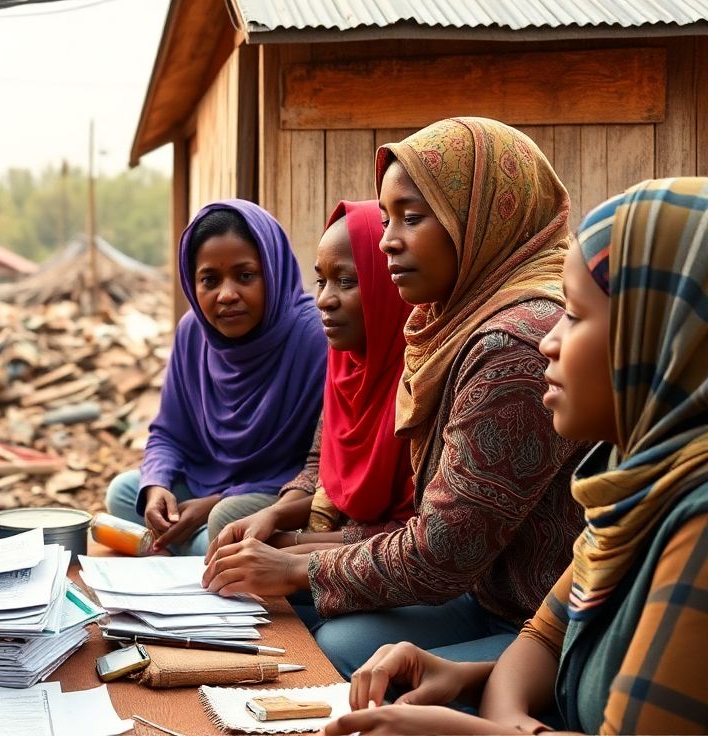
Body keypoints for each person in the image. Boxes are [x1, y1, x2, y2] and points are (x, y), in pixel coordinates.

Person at [326, 176, 708, 736]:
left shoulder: (697, 521)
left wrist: (478, 729)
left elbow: (441, 553)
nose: (548, 340)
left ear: (663, 338)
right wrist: (480, 694)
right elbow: (546, 637)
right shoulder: (630, 479)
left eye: (574, 315)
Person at [204, 117, 585, 676]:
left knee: (340, 647)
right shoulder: (442, 327)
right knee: (305, 609)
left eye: (412, 217)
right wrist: (292, 537)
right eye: (386, 220)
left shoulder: (513, 344)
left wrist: (295, 567)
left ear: (478, 217)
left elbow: (440, 553)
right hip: (489, 593)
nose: (387, 240)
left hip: (544, 621)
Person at [104, 200, 325, 556]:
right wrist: (157, 484)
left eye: (245, 275)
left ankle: (183, 549)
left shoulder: (313, 337)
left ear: (273, 271)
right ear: (192, 284)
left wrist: (211, 504)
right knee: (125, 492)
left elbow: (315, 466)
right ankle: (196, 549)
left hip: (276, 494)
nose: (226, 295)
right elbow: (169, 433)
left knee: (225, 520)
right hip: (203, 481)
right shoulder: (194, 332)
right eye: (209, 279)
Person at [213, 200, 415, 556]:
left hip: (396, 559)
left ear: (388, 281)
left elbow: (416, 538)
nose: (324, 300)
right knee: (232, 529)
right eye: (321, 280)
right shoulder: (345, 363)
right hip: (332, 524)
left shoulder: (419, 378)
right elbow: (318, 466)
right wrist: (274, 515)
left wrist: (293, 547)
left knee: (234, 536)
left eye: (347, 281)